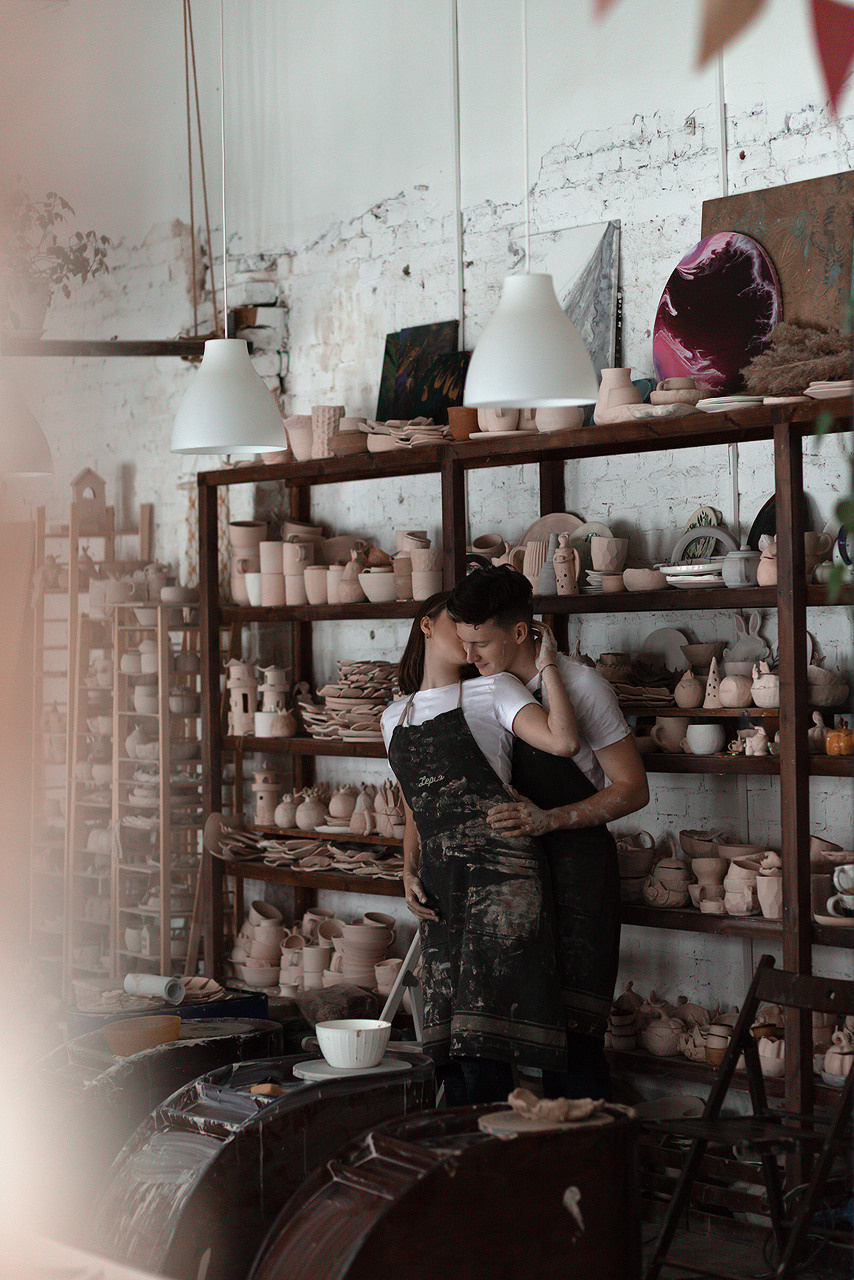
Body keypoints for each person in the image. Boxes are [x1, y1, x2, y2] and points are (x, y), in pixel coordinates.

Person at [446, 561, 650, 1101]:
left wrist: (551, 818)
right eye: (464, 643)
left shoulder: (581, 686)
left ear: (520, 633)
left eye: (480, 643)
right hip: (514, 875)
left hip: (577, 867)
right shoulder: (484, 686)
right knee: (503, 1030)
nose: (470, 656)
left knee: (574, 1040)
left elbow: (633, 789)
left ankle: (582, 1152)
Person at [381, 591, 581, 1107]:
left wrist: (549, 666)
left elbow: (564, 741)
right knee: (449, 1052)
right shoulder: (394, 716)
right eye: (458, 622)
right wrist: (407, 870)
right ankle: (466, 1151)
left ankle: (497, 1149)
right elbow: (416, 807)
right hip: (441, 888)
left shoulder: (496, 689)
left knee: (485, 1045)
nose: (469, 636)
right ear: (427, 625)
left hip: (502, 878)